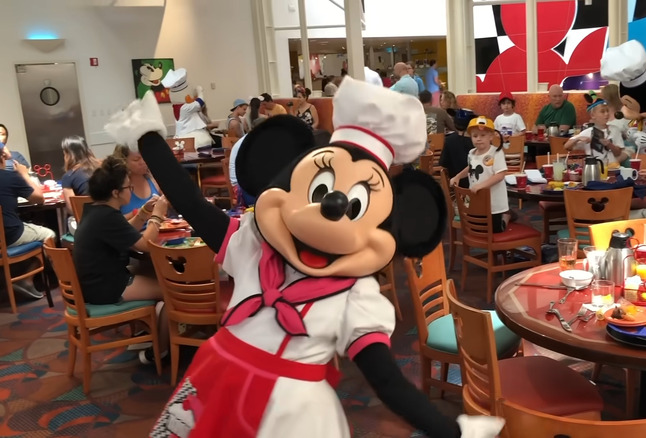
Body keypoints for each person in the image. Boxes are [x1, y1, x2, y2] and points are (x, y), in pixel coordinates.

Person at [106, 83, 502, 437]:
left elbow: (388, 382)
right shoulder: (255, 244)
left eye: (356, 205)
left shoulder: (358, 297)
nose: (332, 207)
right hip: (216, 380)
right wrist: (149, 138)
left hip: (290, 414)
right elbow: (191, 203)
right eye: (321, 189)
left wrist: (452, 432)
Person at [74, 156, 171, 363]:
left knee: (154, 274)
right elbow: (144, 244)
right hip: (106, 287)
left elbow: (127, 233)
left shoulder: (97, 210)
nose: (131, 190)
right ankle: (160, 351)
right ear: (115, 193)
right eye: (128, 187)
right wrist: (158, 215)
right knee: (174, 292)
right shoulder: (107, 217)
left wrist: (144, 213)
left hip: (94, 281)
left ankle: (152, 332)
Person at [0, 151, 54, 300]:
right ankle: (28, 280)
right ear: (2, 159)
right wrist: (24, 174)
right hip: (9, 235)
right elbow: (39, 198)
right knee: (49, 235)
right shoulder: (9, 177)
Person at [450, 116, 510, 232]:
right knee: (475, 225)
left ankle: (506, 218)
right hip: (476, 197)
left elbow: (500, 175)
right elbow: (471, 167)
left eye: (482, 135)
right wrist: (458, 176)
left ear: (491, 136)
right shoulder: (471, 153)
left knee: (495, 229)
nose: (478, 139)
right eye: (475, 136)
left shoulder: (496, 153)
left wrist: (481, 185)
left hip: (493, 201)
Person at [564, 98, 628, 167]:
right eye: (602, 112)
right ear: (593, 115)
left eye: (607, 111)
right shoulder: (588, 132)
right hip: (594, 168)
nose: (606, 114)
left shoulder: (615, 130)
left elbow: (618, 153)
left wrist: (609, 145)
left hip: (612, 167)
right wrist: (578, 138)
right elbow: (566, 146)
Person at [112, 145, 161, 218]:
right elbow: (113, 222)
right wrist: (142, 212)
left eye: (144, 157)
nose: (143, 162)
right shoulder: (117, 187)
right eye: (136, 160)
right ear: (123, 161)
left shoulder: (153, 178)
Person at [61, 135, 101, 214]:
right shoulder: (102, 168)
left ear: (68, 155)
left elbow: (72, 209)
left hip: (89, 221)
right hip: (113, 216)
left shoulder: (69, 176)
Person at [440, 110, 476, 188]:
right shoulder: (478, 143)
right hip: (477, 186)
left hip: (456, 186)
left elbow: (443, 164)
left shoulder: (449, 140)